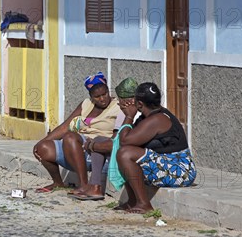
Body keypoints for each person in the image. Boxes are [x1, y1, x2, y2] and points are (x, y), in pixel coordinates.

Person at [32, 72, 122, 198]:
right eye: (97, 96)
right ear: (91, 96)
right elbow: (65, 126)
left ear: (108, 90)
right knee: (43, 148)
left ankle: (84, 185)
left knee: (70, 137)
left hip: (98, 150)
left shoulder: (117, 106)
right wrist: (40, 143)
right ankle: (58, 183)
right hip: (77, 148)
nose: (102, 99)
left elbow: (118, 136)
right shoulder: (86, 104)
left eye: (104, 94)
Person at [115, 82, 197, 213]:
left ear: (140, 104)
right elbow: (125, 140)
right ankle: (132, 201)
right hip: (166, 164)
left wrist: (129, 116)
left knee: (125, 154)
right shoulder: (146, 117)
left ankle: (143, 204)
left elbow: (125, 141)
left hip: (180, 171)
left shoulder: (158, 119)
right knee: (123, 153)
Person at [76, 77, 140, 201]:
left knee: (99, 142)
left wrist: (91, 146)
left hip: (133, 154)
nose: (118, 103)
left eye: (120, 100)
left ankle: (95, 186)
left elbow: (116, 142)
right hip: (128, 151)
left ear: (128, 101)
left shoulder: (127, 113)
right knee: (100, 140)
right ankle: (94, 186)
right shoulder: (126, 112)